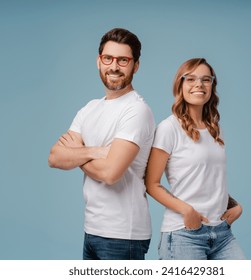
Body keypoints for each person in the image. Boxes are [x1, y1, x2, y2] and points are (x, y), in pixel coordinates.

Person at [48, 28, 155, 260]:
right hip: (92, 229)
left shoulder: (136, 110)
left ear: (135, 66)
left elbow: (109, 173)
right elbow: (55, 157)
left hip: (123, 234)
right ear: (99, 61)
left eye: (123, 60)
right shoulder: (90, 108)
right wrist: (96, 151)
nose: (114, 66)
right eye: (108, 58)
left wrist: (75, 154)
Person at [145, 58, 245, 260]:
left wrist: (234, 205)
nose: (199, 84)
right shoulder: (169, 128)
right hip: (184, 233)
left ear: (212, 86)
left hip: (221, 233)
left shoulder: (215, 130)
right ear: (180, 85)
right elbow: (151, 183)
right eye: (191, 79)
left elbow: (206, 179)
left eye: (205, 79)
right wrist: (187, 211)